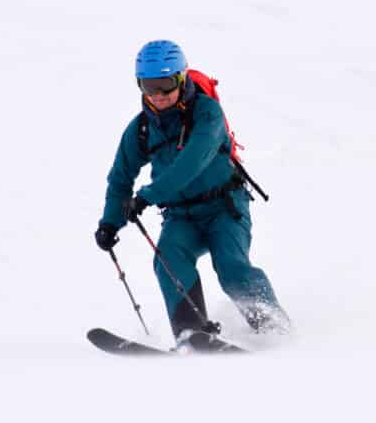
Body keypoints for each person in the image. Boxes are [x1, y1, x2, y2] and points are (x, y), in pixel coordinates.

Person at [93, 40, 290, 340]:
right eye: (149, 86)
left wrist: (147, 196)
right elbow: (120, 178)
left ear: (181, 78)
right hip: (181, 216)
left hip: (225, 208)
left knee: (231, 267)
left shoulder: (207, 113)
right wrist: (110, 222)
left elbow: (191, 163)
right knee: (168, 259)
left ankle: (274, 329)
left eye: (166, 84)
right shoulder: (142, 129)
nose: (158, 95)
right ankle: (191, 333)